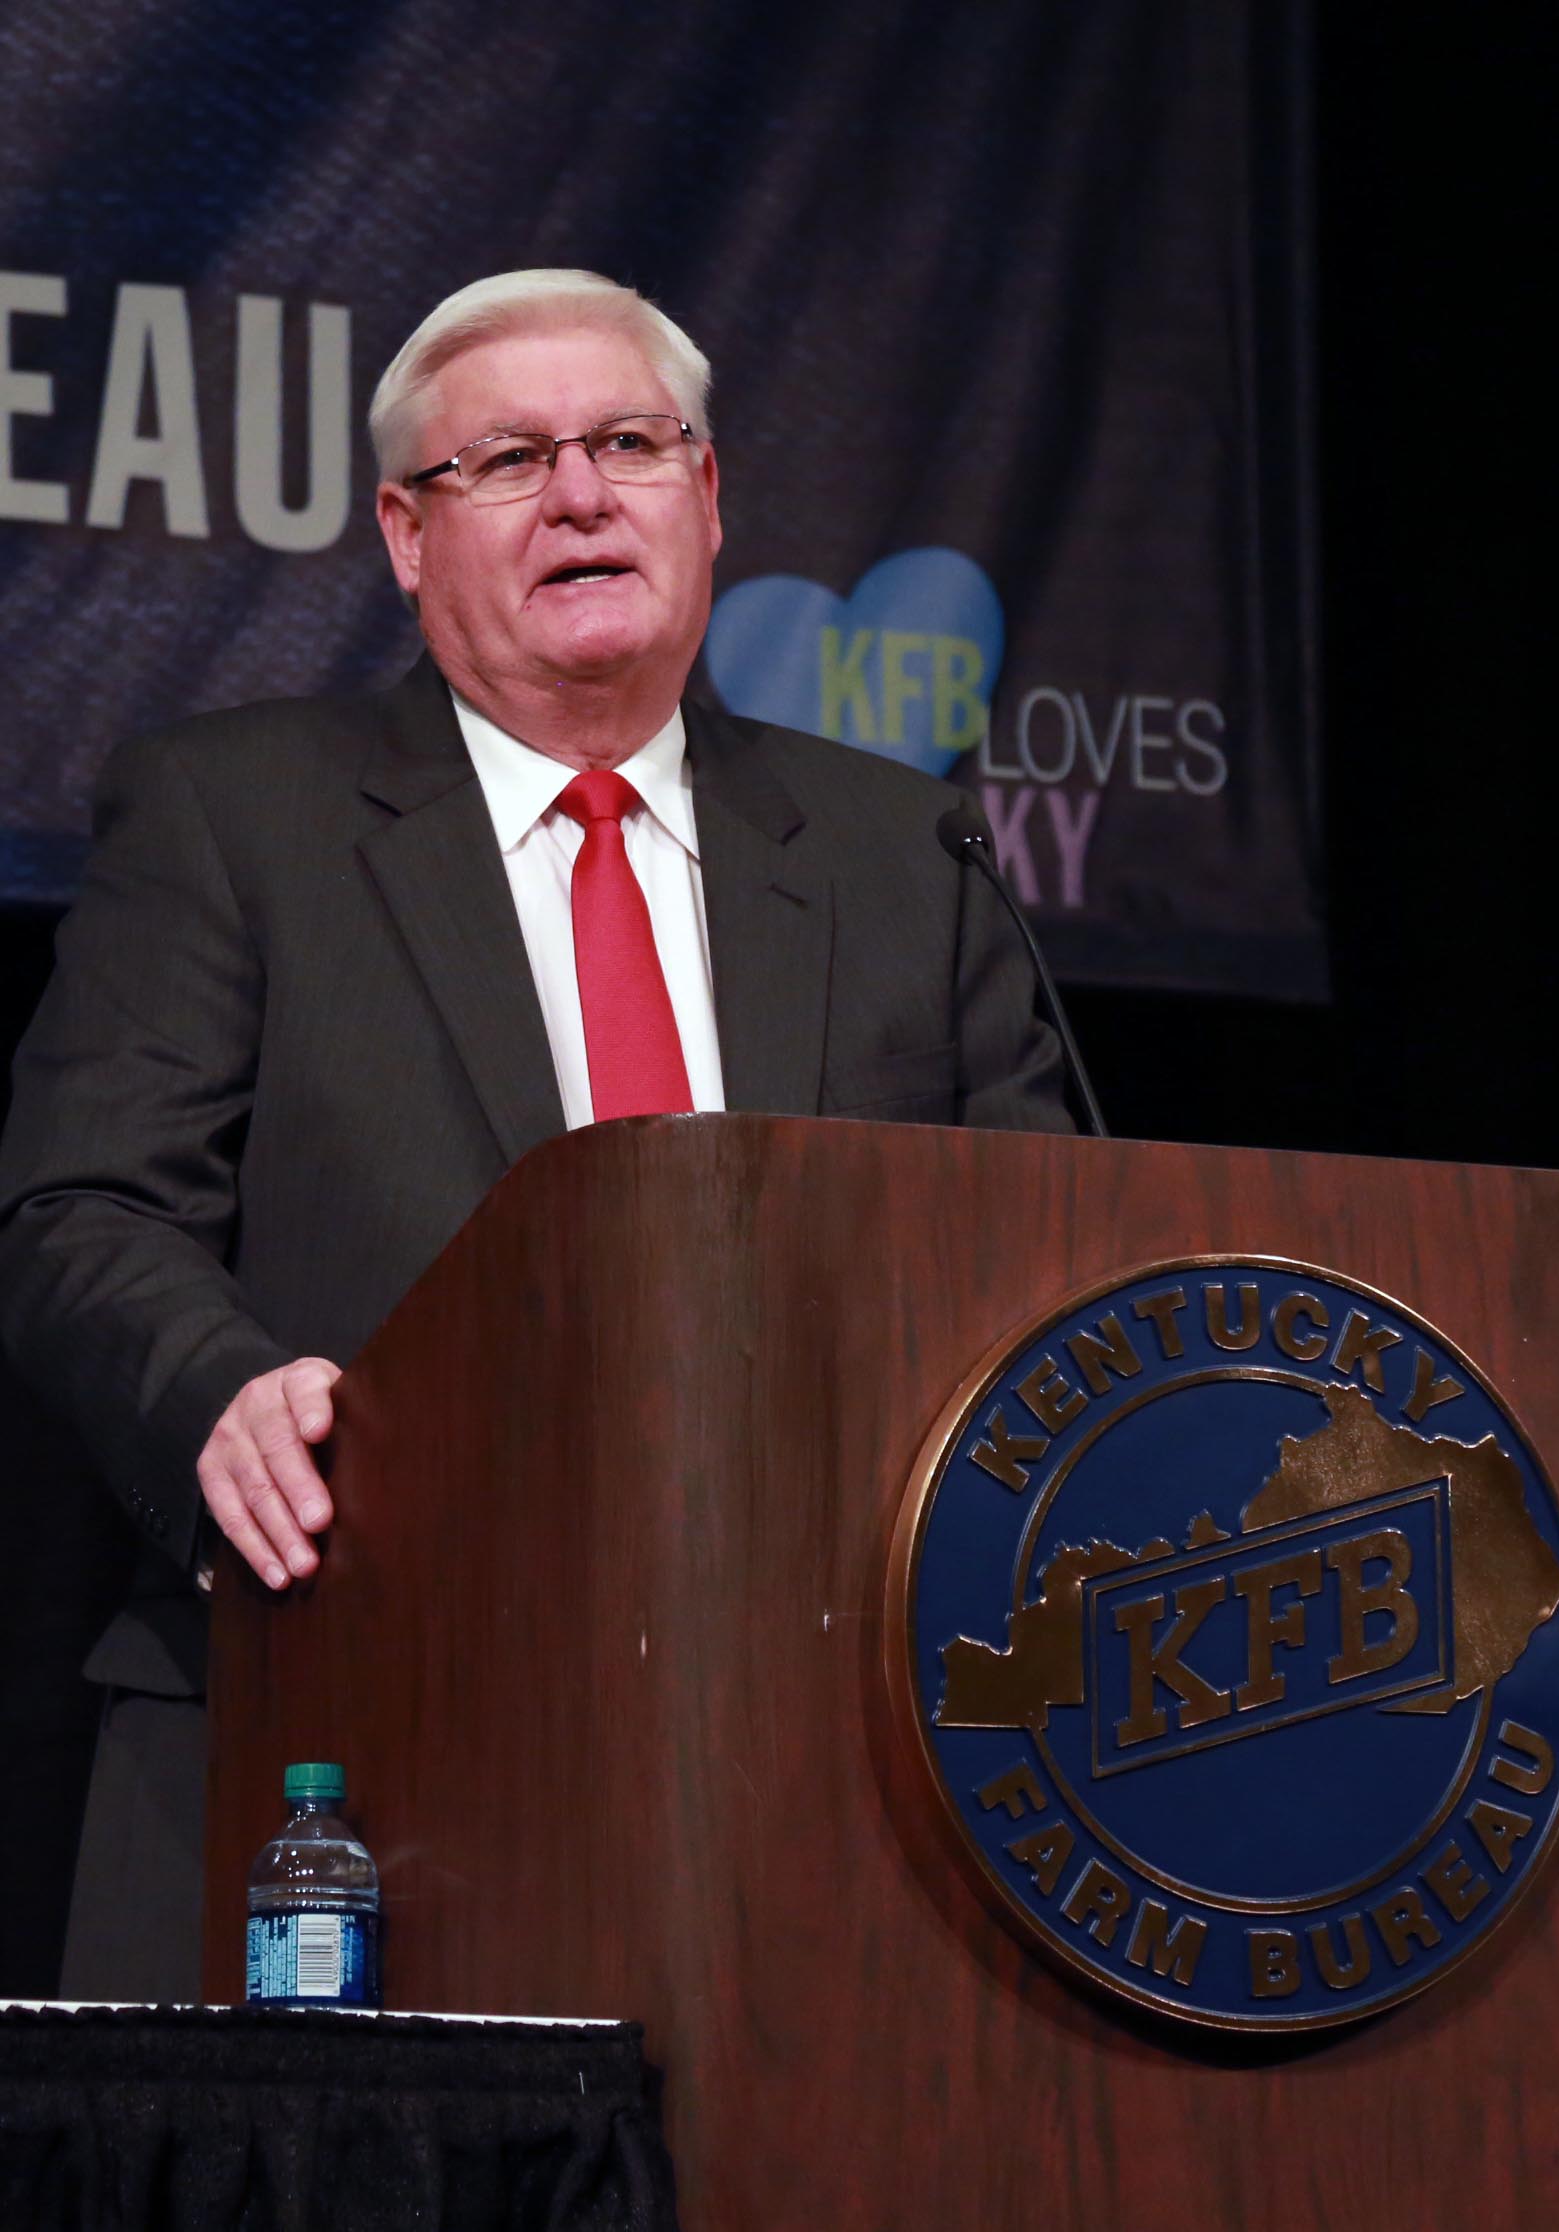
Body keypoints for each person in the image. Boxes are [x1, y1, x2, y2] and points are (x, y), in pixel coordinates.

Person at [0, 269, 1071, 1998]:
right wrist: (212, 1388)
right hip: (337, 1723)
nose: (581, 493)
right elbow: (81, 1205)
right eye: (506, 460)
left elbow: (1048, 1263)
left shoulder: (898, 857)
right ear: (409, 537)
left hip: (833, 1776)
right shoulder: (232, 813)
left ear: (706, 500)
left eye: (628, 443)